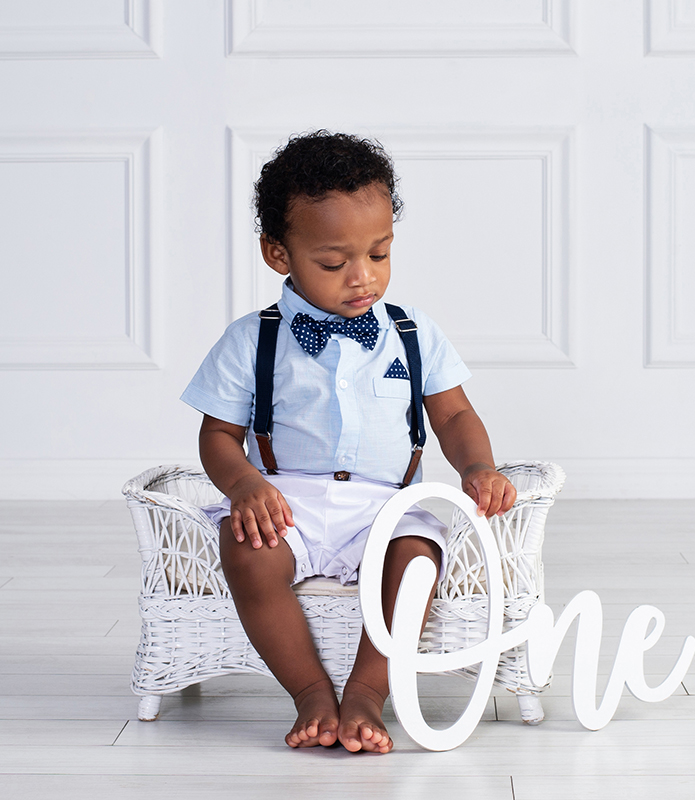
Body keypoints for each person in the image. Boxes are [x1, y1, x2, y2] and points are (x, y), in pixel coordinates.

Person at [181, 131, 516, 754]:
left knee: (417, 554)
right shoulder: (252, 339)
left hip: (388, 505)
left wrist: (477, 465)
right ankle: (309, 690)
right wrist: (245, 484)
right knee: (246, 547)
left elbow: (455, 415)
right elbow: (218, 435)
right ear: (278, 255)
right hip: (289, 501)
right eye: (334, 263)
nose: (362, 278)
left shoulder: (412, 334)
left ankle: (366, 692)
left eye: (379, 254)